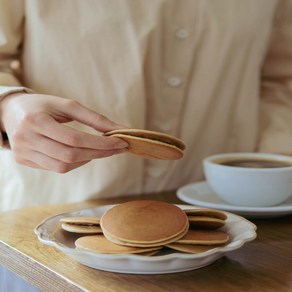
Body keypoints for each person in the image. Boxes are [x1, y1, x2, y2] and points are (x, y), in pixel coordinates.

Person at [0, 0, 292, 212]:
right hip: (48, 218)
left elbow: (281, 80)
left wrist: (272, 177)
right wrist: (9, 106)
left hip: (219, 220)